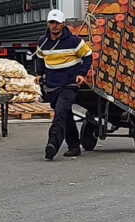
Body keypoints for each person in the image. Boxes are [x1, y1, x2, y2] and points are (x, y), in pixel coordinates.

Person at [34, 9, 92, 161]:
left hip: (69, 84)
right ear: (48, 24)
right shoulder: (43, 42)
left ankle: (53, 144)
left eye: (57, 23)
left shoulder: (74, 41)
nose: (54, 26)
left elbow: (87, 55)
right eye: (51, 23)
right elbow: (40, 58)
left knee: (60, 112)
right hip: (52, 85)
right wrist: (40, 74)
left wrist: (82, 73)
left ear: (63, 24)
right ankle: (74, 145)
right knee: (65, 115)